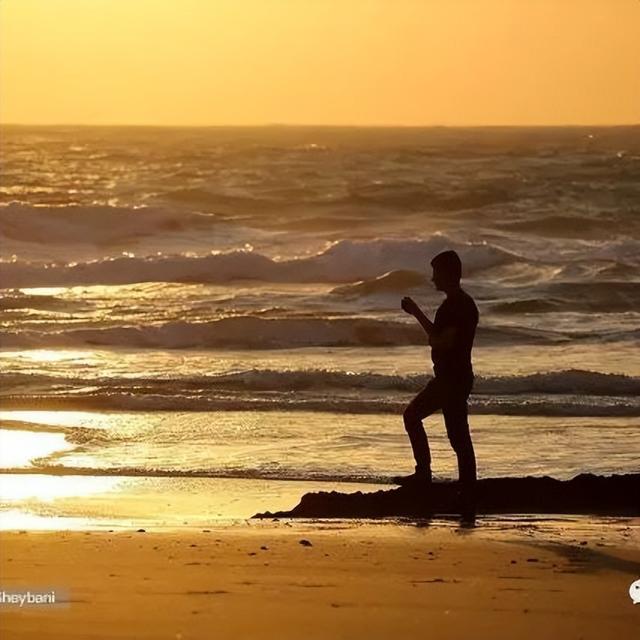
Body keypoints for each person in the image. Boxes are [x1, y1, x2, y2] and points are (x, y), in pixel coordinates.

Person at [394, 249, 478, 496]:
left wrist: (417, 314)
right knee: (457, 434)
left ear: (448, 274)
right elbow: (439, 336)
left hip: (451, 379)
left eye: (436, 273)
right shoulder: (462, 304)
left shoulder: (456, 307)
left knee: (414, 417)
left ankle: (427, 476)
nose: (433, 279)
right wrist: (417, 313)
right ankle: (465, 484)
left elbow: (442, 341)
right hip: (456, 376)